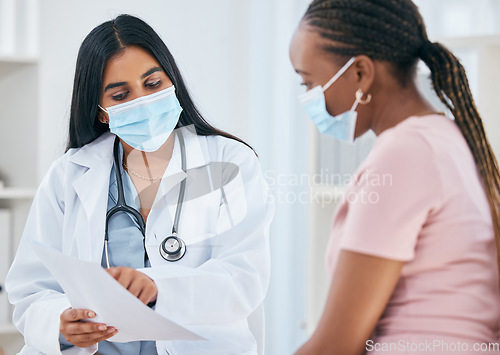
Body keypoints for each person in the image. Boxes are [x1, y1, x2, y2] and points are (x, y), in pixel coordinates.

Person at [6, 14, 273, 355]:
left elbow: (243, 278)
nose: (142, 103)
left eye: (152, 84)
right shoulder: (69, 175)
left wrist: (156, 285)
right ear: (101, 110)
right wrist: (60, 323)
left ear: (172, 82)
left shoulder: (232, 163)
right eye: (120, 95)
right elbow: (31, 288)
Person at [290, 1, 500, 354]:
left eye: (309, 83)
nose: (308, 99)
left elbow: (336, 346)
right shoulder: (446, 138)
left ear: (360, 73)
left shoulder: (406, 152)